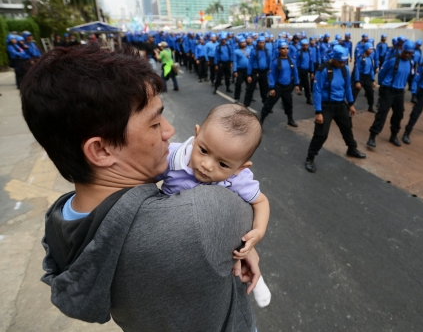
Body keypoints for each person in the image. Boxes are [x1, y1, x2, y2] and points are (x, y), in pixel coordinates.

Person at [20, 43, 260, 331]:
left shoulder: (62, 220)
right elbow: (247, 217)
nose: (170, 131)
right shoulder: (203, 216)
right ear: (101, 150)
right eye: (155, 122)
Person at [158, 104, 272, 308]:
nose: (207, 165)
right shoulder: (174, 156)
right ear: (196, 135)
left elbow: (261, 201)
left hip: (215, 239)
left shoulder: (238, 179)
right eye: (203, 150)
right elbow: (143, 178)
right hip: (173, 232)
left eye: (223, 164)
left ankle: (257, 280)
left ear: (240, 168)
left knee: (239, 250)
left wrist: (259, 232)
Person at [304, 45, 366, 173]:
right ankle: (310, 158)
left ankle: (352, 149)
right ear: (333, 58)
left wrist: (351, 104)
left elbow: (348, 87)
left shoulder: (345, 69)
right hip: (326, 106)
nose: (342, 64)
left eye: (344, 61)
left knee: (347, 128)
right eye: (340, 61)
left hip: (340, 105)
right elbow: (317, 91)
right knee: (321, 134)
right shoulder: (323, 70)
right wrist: (318, 112)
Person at [367, 40, 415, 148]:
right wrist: (383, 87)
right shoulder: (392, 60)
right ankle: (372, 136)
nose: (407, 55)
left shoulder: (410, 62)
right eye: (406, 52)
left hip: (400, 92)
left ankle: (394, 135)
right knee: (382, 113)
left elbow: (410, 75)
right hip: (388, 91)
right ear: (402, 49)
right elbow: (381, 74)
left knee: (398, 115)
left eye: (410, 53)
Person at [258, 41, 300, 127]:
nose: (285, 50)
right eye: (283, 48)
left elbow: (295, 73)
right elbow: (271, 75)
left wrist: (296, 84)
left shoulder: (292, 61)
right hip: (277, 87)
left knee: (289, 104)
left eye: (287, 48)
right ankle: (260, 121)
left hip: (287, 87)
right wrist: (272, 88)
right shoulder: (275, 62)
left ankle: (290, 119)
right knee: (268, 105)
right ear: (279, 50)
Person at [246, 36, 271, 108]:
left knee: (265, 90)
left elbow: (270, 63)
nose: (262, 44)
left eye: (263, 42)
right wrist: (249, 75)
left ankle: (266, 105)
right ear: (257, 43)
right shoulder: (254, 51)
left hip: (264, 72)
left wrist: (270, 73)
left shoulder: (267, 52)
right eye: (260, 43)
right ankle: (246, 104)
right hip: (255, 72)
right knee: (250, 89)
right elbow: (250, 63)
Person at [353, 42, 376, 112]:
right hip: (361, 77)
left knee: (370, 93)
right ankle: (349, 107)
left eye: (372, 49)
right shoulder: (360, 58)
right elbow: (356, 70)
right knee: (354, 93)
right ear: (366, 49)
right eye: (370, 49)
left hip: (367, 77)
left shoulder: (371, 58)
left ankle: (370, 106)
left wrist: (373, 80)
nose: (371, 51)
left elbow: (371, 70)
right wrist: (357, 81)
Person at [233, 38, 251, 104]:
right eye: (242, 42)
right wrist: (235, 71)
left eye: (244, 42)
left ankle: (248, 98)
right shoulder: (236, 51)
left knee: (249, 85)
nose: (243, 43)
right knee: (238, 84)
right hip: (240, 70)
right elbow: (235, 61)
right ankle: (236, 97)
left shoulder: (249, 50)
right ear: (239, 44)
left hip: (248, 70)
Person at [297, 38, 315, 105]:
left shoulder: (309, 52)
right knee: (291, 85)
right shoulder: (299, 52)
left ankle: (308, 99)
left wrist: (312, 72)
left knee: (307, 86)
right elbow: (296, 63)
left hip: (305, 72)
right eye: (304, 45)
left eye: (306, 45)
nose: (305, 46)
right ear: (302, 45)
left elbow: (311, 62)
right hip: (299, 71)